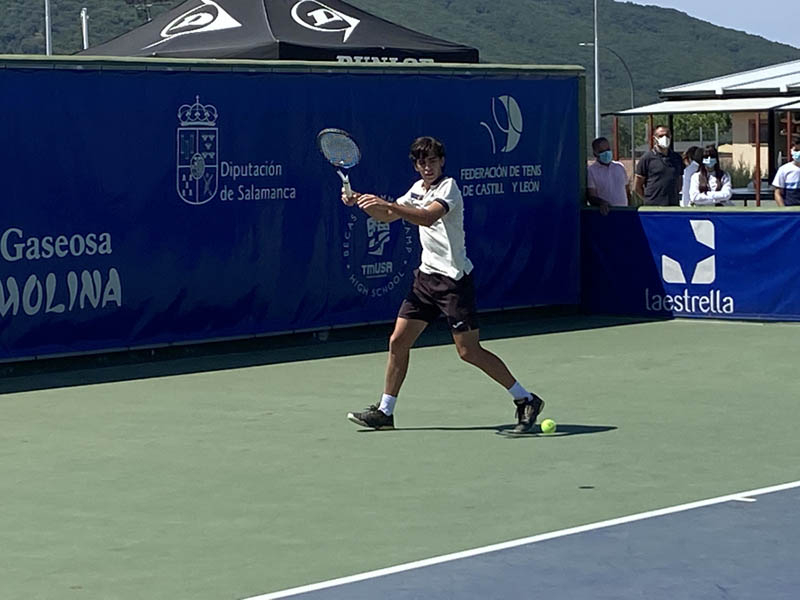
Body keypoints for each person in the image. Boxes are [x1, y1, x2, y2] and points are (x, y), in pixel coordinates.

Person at [342, 136, 544, 434]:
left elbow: (426, 217)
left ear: (442, 162)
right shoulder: (416, 190)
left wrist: (388, 204)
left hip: (453, 282)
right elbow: (385, 217)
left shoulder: (449, 188)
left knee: (469, 351)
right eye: (422, 162)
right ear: (416, 165)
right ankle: (385, 411)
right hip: (425, 279)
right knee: (398, 341)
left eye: (433, 161)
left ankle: (525, 398)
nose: (428, 167)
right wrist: (360, 200)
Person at [634, 125, 683, 206]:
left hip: (673, 206)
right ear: (655, 138)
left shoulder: (677, 158)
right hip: (653, 207)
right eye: (661, 136)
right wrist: (648, 199)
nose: (665, 138)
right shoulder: (646, 158)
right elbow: (637, 186)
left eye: (667, 135)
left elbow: (679, 182)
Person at [586, 137, 630, 215]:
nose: (606, 153)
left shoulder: (619, 167)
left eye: (608, 149)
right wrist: (601, 203)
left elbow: (627, 191)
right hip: (606, 214)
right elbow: (591, 195)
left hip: (623, 212)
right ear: (595, 153)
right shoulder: (591, 171)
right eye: (602, 151)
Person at [772, 142, 800, 207]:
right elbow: (777, 192)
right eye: (797, 150)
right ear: (791, 151)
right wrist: (784, 210)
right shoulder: (784, 169)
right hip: (791, 211)